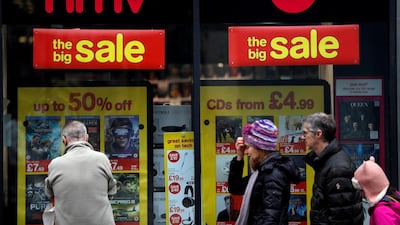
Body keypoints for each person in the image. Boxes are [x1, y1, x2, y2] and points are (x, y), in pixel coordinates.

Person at [228, 119, 301, 225]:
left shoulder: (273, 174)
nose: (247, 152)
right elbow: (235, 188)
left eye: (248, 147)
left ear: (261, 148)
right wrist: (239, 157)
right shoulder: (262, 172)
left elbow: (270, 217)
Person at [44, 120, 117, 225]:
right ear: (87, 138)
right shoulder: (102, 159)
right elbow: (111, 191)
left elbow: (50, 194)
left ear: (64, 140)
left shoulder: (55, 164)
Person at [301, 112, 364, 225]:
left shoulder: (338, 168)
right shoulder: (324, 162)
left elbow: (342, 218)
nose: (302, 137)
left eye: (305, 133)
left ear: (318, 134)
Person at [352, 156, 400, 225]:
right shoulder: (395, 196)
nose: (361, 195)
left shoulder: (380, 212)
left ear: (369, 189)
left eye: (361, 190)